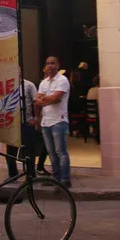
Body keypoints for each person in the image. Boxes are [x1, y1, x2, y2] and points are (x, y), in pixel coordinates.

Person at [35, 56, 72, 188]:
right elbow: (37, 100)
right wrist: (46, 100)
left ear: (58, 65)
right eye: (48, 63)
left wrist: (44, 99)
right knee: (51, 152)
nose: (50, 65)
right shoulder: (44, 82)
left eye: (52, 63)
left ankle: (65, 179)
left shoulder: (62, 80)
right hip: (46, 122)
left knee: (61, 152)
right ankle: (56, 178)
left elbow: (57, 98)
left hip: (59, 121)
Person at [6, 78, 39, 178]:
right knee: (10, 151)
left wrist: (36, 119)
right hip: (11, 123)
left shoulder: (29, 85)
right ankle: (12, 174)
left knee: (29, 150)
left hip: (26, 121)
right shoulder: (6, 84)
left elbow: (36, 102)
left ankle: (31, 174)